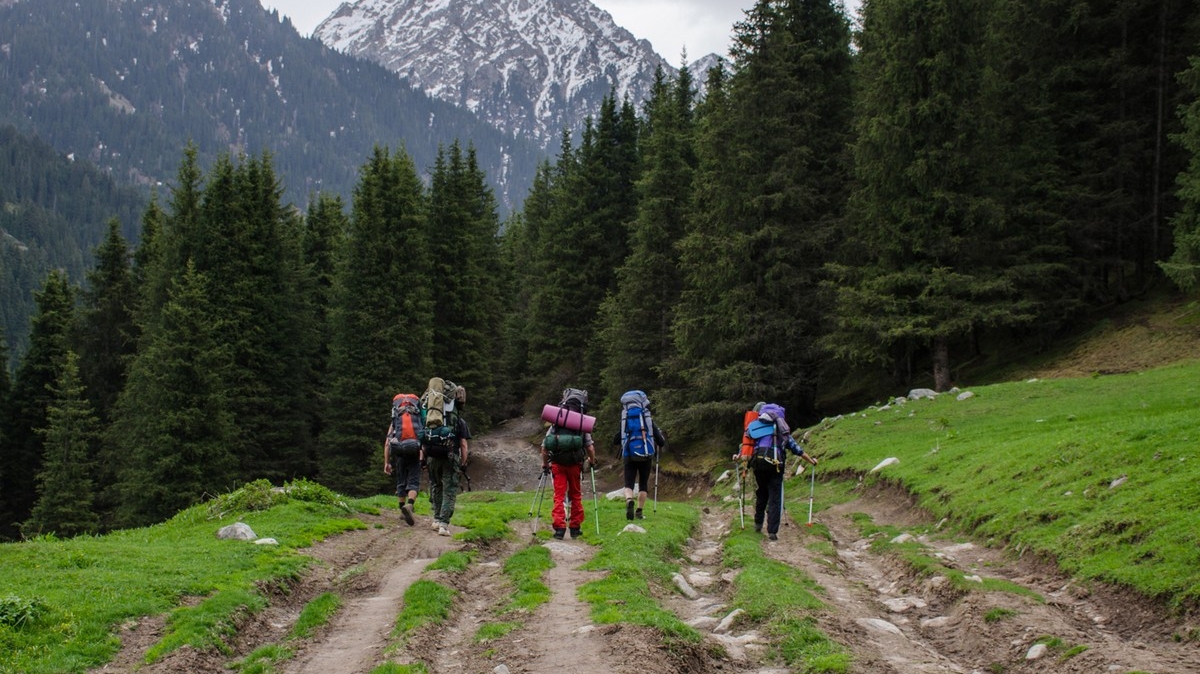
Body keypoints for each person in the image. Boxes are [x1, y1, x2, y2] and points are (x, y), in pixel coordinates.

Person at [739, 402, 817, 541]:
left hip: (759, 465)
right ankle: (772, 532)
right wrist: (811, 460)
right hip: (776, 466)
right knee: (775, 497)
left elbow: (747, 445)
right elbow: (796, 449)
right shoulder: (781, 428)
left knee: (761, 493)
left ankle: (758, 524)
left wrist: (738, 456)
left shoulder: (756, 427)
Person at [540, 390, 597, 540]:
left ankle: (559, 528)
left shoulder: (557, 421)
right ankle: (575, 528)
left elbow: (545, 447)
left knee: (558, 496)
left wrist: (545, 464)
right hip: (575, 464)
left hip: (558, 464)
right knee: (575, 495)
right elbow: (590, 447)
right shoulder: (581, 423)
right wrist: (591, 461)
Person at [422, 387, 471, 537]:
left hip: (432, 457)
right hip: (450, 457)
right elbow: (463, 444)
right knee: (449, 489)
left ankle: (436, 519)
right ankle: (443, 524)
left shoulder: (430, 419)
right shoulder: (459, 421)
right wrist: (463, 462)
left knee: (436, 486)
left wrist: (424, 459)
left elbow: (424, 441)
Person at [615, 389, 667, 521]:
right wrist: (659, 439)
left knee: (629, 483)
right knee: (643, 483)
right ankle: (639, 511)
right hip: (646, 454)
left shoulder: (625, 418)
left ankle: (628, 499)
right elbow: (660, 441)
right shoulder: (647, 418)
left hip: (629, 454)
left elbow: (616, 439)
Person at [383, 427, 421, 527]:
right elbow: (422, 439)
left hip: (400, 454)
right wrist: (423, 458)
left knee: (401, 481)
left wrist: (387, 462)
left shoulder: (395, 418)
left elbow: (387, 443)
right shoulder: (416, 417)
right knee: (414, 481)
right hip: (414, 452)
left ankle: (402, 510)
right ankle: (410, 505)